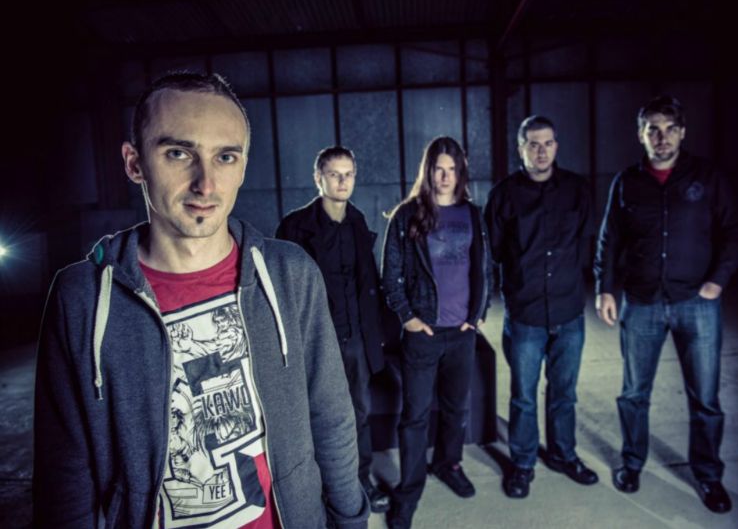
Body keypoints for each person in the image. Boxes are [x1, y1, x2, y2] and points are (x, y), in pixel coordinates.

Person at [33, 72, 368, 528]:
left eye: (225, 157)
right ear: (134, 163)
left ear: (242, 167)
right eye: (178, 153)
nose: (206, 184)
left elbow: (330, 415)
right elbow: (65, 473)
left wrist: (350, 521)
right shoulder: (82, 298)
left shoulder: (290, 274)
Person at [594, 95, 738, 513]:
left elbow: (733, 232)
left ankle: (708, 476)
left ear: (682, 132)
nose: (661, 137)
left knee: (705, 398)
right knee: (633, 394)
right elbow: (609, 240)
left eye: (669, 129)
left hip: (696, 303)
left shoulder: (707, 178)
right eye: (653, 130)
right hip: (641, 303)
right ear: (640, 135)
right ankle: (631, 464)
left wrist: (717, 281)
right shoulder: (627, 182)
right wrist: (605, 289)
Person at [484, 115, 598, 499]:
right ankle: (523, 463)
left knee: (564, 392)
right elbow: (493, 251)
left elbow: (586, 241)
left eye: (547, 143)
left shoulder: (577, 190)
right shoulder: (503, 195)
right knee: (524, 396)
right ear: (521, 148)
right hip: (526, 315)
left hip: (569, 312)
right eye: (533, 144)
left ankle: (564, 455)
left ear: (556, 146)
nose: (541, 151)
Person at [381, 136, 491, 528]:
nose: (445, 177)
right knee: (414, 416)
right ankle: (409, 491)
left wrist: (477, 314)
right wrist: (408, 318)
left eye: (452, 169)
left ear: (461, 173)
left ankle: (448, 464)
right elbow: (390, 274)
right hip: (423, 334)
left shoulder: (472, 214)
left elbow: (485, 267)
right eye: (438, 169)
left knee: (456, 408)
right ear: (428, 172)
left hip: (461, 333)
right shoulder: (407, 215)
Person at [275, 145, 390, 513]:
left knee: (358, 413)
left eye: (348, 174)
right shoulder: (294, 227)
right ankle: (319, 491)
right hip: (315, 341)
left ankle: (361, 481)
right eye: (334, 174)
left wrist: (377, 339)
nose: (343, 181)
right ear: (318, 178)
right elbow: (282, 291)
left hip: (355, 340)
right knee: (315, 417)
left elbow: (369, 285)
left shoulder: (357, 221)